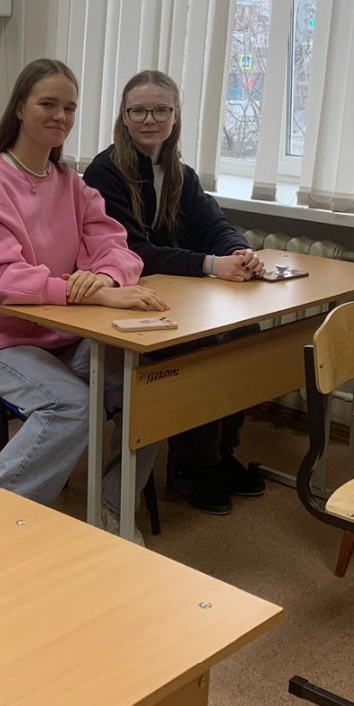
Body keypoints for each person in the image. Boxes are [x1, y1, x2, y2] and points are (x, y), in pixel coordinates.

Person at [0, 57, 170, 542]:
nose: (61, 116)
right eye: (48, 104)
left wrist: (103, 277)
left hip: (60, 337)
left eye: (70, 107)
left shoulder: (70, 182)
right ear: (21, 107)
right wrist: (85, 294)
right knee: (72, 406)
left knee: (148, 387)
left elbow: (117, 246)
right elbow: (0, 283)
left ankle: (109, 506)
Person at [82, 69, 267, 515]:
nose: (150, 119)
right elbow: (135, 251)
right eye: (139, 111)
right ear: (124, 117)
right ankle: (192, 466)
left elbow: (214, 225)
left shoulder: (181, 173)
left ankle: (220, 453)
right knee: (196, 348)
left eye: (161, 110)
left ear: (176, 115)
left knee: (244, 334)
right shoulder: (105, 172)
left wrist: (239, 252)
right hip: (127, 299)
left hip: (175, 294)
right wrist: (210, 265)